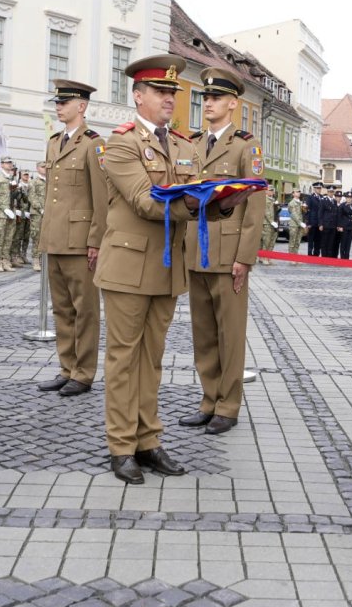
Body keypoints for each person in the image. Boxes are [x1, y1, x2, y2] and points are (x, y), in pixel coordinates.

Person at [96, 53, 252, 484]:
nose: (170, 99)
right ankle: (121, 446)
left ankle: (149, 440)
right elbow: (147, 201)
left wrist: (223, 203)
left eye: (173, 93)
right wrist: (199, 199)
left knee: (152, 359)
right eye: (162, 92)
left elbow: (196, 198)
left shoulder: (184, 144)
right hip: (128, 266)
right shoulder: (121, 144)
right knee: (124, 359)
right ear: (138, 95)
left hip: (167, 268)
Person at [178, 67, 265, 436]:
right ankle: (208, 399)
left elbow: (255, 205)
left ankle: (228, 406)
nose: (208, 103)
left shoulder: (246, 146)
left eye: (215, 98)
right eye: (205, 98)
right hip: (196, 251)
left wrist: (244, 258)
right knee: (203, 333)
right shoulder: (192, 144)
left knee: (229, 333)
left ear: (233, 103)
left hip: (229, 255)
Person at [37, 79, 107, 397]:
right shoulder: (54, 142)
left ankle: (84, 372)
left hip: (80, 241)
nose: (58, 106)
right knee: (61, 309)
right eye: (57, 102)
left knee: (85, 310)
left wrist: (95, 241)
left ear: (81, 106)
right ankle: (67, 368)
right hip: (55, 237)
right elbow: (53, 193)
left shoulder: (94, 144)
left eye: (64, 102)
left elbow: (101, 197)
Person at [28, 162, 46, 272]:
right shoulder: (33, 182)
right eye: (42, 167)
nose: (45, 169)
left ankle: (43, 259)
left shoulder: (50, 181)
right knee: (36, 237)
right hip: (37, 213)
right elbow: (32, 197)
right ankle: (36, 259)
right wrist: (40, 208)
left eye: (45, 167)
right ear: (37, 168)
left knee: (46, 237)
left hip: (48, 213)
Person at [260, 190, 278, 265]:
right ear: (266, 191)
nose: (272, 192)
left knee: (272, 241)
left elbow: (275, 211)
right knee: (266, 241)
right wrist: (271, 221)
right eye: (270, 190)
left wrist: (277, 206)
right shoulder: (264, 199)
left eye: (272, 190)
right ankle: (263, 257)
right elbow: (265, 211)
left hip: (274, 223)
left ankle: (268, 257)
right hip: (267, 223)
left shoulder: (273, 200)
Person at [305, 181, 323, 255]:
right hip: (312, 222)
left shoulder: (322, 198)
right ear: (314, 189)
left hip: (319, 223)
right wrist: (308, 222)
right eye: (317, 188)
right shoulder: (310, 198)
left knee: (318, 240)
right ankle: (309, 254)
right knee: (311, 240)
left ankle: (316, 254)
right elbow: (307, 210)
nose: (319, 190)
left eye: (320, 188)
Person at [287, 190, 305, 255]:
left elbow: (302, 213)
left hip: (300, 225)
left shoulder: (300, 203)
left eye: (299, 192)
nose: (298, 193)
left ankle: (295, 256)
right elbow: (293, 214)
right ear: (293, 194)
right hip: (294, 225)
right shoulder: (291, 203)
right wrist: (300, 223)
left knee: (298, 241)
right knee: (292, 241)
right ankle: (291, 257)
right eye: (297, 192)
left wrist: (305, 209)